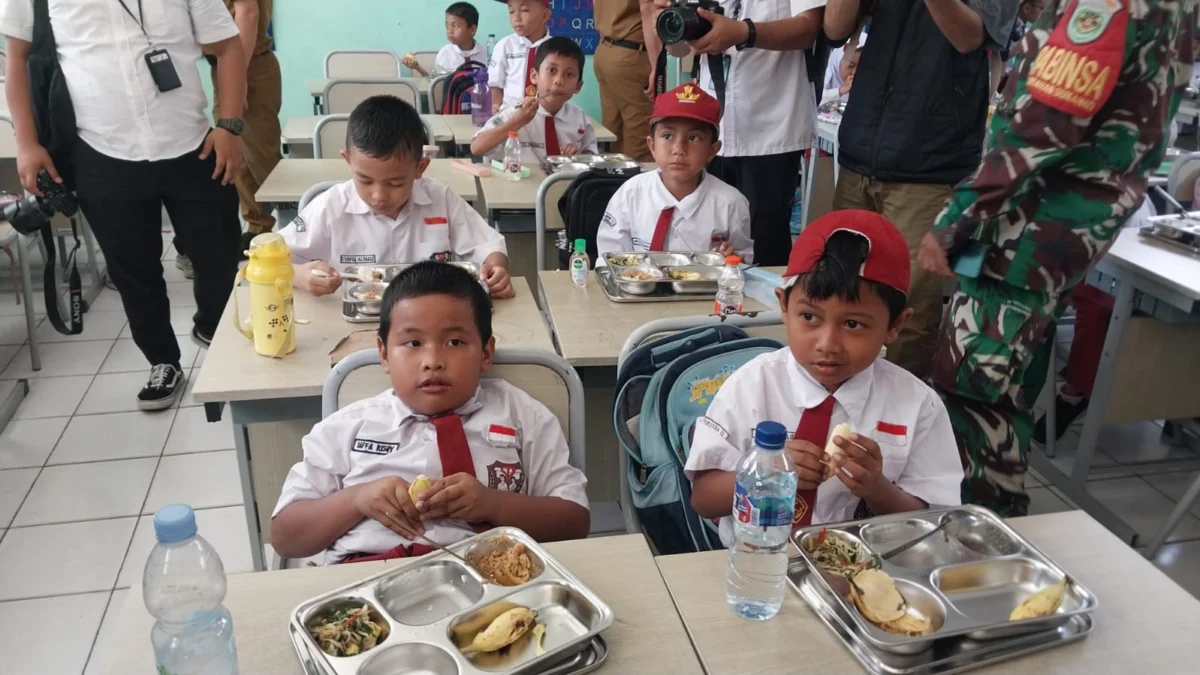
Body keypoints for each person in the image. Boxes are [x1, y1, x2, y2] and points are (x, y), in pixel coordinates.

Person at [918, 0, 1194, 516]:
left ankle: (979, 538)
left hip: (1027, 232)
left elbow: (1045, 124)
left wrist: (957, 217)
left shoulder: (1105, 5)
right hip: (1060, 231)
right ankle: (985, 531)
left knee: (975, 394)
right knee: (1004, 386)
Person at [2, 0, 246, 410]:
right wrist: (26, 144)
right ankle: (163, 361)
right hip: (100, 150)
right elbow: (17, 59)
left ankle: (213, 329)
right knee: (134, 272)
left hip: (194, 146)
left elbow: (228, 47)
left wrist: (230, 126)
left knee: (219, 257)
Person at [270, 262, 591, 563]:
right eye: (412, 343)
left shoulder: (522, 415)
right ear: (383, 354)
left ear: (486, 352)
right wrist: (356, 499)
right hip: (368, 579)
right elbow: (286, 538)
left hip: (489, 578)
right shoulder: (348, 427)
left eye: (454, 342)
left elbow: (575, 522)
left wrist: (493, 504)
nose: (432, 360)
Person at [685, 210, 963, 544]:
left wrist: (878, 490)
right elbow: (703, 498)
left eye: (853, 324)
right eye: (809, 317)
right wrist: (766, 472)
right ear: (784, 308)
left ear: (895, 325)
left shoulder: (918, 406)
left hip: (870, 564)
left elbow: (933, 523)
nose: (828, 344)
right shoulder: (752, 385)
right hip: (757, 562)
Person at [824, 0, 1020, 381]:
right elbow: (834, 27)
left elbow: (969, 37)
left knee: (909, 307)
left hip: (930, 163)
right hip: (861, 148)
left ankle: (896, 425)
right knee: (838, 286)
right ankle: (837, 399)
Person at [280, 96, 512, 298]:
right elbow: (267, 259)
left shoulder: (440, 200)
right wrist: (298, 275)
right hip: (348, 323)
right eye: (365, 181)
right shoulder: (330, 207)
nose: (379, 196)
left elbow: (488, 245)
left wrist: (495, 269)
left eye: (395, 183)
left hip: (426, 321)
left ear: (420, 167)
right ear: (348, 160)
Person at [655, 0, 824, 268]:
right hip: (710, 130)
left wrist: (744, 33)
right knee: (704, 239)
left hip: (771, 129)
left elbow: (809, 28)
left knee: (764, 246)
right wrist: (669, 19)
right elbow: (678, 49)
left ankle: (767, 309)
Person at [596, 83, 752, 262]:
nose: (679, 149)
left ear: (712, 150)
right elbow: (609, 258)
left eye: (693, 138)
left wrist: (732, 258)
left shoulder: (731, 204)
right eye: (668, 136)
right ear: (652, 145)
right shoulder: (630, 194)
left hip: (705, 290)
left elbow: (743, 259)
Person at [471, 38, 597, 164]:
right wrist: (517, 122)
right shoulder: (516, 113)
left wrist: (579, 156)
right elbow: (476, 148)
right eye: (552, 70)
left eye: (569, 75)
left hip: (566, 182)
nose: (558, 81)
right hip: (522, 182)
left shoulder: (580, 118)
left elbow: (592, 157)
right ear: (534, 76)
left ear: (578, 86)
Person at [593, 0, 660, 162]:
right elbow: (648, 8)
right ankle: (634, 186)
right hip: (631, 55)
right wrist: (657, 64)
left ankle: (610, 184)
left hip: (606, 49)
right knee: (641, 142)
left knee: (612, 136)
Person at [488, 0, 552, 111]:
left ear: (545, 15)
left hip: (544, 113)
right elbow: (495, 84)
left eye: (524, 10)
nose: (516, 18)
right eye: (511, 11)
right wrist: (495, 108)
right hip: (510, 114)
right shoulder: (504, 46)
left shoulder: (555, 49)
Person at [403, 2, 488, 76]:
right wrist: (417, 67)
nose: (449, 31)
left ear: (471, 30)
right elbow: (437, 85)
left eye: (455, 26)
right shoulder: (445, 54)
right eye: (447, 26)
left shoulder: (486, 54)